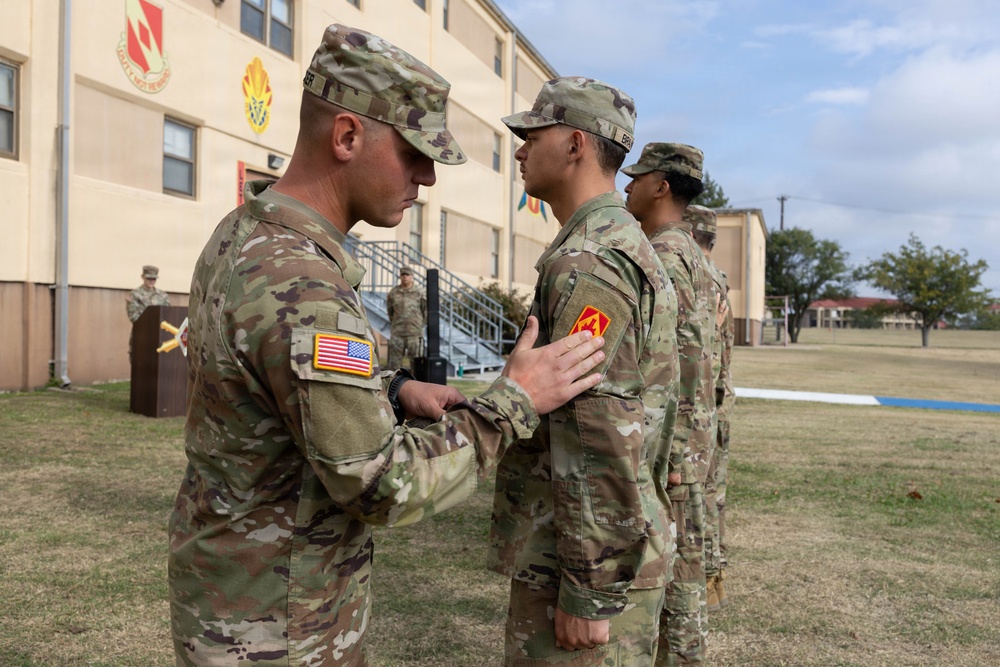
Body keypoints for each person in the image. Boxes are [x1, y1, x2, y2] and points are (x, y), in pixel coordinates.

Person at [167, 25, 609, 666]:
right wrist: (512, 402)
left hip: (237, 597)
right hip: (279, 627)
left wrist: (394, 388)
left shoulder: (247, 233)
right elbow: (380, 484)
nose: (427, 176)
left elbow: (280, 387)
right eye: (413, 153)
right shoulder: (304, 286)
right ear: (346, 136)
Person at [488, 76, 680, 665]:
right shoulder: (615, 243)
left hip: (578, 561)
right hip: (597, 548)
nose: (519, 149)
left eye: (532, 135)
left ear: (575, 145)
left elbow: (598, 430)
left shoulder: (589, 261)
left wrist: (589, 589)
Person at [622, 144, 714, 666]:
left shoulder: (665, 254)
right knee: (683, 573)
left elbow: (674, 356)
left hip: (673, 452)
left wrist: (673, 454)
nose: (626, 188)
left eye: (636, 179)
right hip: (689, 442)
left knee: (674, 583)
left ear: (661, 186)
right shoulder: (688, 252)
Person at [689, 205, 736, 615]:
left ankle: (705, 580)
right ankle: (714, 577)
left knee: (699, 497)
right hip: (717, 405)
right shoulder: (719, 277)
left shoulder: (700, 279)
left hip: (702, 403)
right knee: (712, 495)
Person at [386, 265, 426, 369]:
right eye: (402, 274)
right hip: (397, 333)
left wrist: (420, 325)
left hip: (414, 333)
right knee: (394, 364)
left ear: (412, 276)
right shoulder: (394, 292)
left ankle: (416, 384)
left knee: (417, 364)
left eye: (407, 275)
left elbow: (425, 310)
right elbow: (390, 311)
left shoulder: (420, 292)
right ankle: (395, 384)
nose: (405, 277)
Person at [126, 265, 170, 361]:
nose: (151, 281)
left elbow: (167, 315)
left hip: (159, 336)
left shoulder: (163, 296)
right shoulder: (134, 295)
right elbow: (133, 316)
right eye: (149, 278)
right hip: (141, 335)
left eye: (154, 279)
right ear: (142, 277)